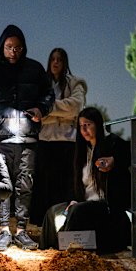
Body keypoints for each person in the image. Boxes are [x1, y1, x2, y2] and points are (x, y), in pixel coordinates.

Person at [0, 24, 54, 251]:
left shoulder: (35, 70)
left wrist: (41, 109)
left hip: (28, 138)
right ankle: (5, 230)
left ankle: (23, 231)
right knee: (3, 186)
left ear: (24, 47)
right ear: (2, 46)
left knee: (25, 185)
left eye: (18, 47)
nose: (13, 52)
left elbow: (48, 94)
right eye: (9, 47)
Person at [39, 107, 136, 253]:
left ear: (98, 125)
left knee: (77, 211)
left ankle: (64, 257)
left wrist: (115, 160)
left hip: (105, 206)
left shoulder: (113, 143)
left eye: (88, 125)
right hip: (84, 203)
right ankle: (46, 252)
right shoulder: (83, 150)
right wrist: (73, 199)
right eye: (81, 126)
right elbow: (77, 183)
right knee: (52, 212)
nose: (84, 129)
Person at [31, 48, 87, 226]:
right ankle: (43, 227)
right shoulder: (41, 83)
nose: (55, 63)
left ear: (65, 63)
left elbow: (76, 106)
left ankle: (65, 225)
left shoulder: (75, 82)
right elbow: (34, 111)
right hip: (45, 143)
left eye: (60, 60)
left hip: (67, 143)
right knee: (44, 189)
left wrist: (47, 110)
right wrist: (63, 113)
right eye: (53, 59)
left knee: (64, 188)